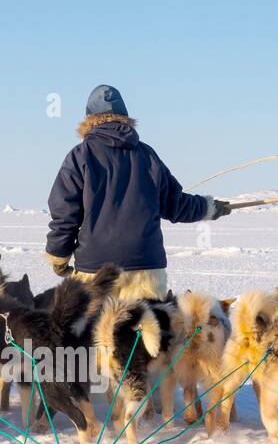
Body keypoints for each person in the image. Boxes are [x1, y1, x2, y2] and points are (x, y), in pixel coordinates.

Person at [45, 85, 232, 301]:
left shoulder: (80, 155)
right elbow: (176, 204)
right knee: (144, 323)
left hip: (95, 270)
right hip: (146, 268)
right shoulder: (147, 155)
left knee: (95, 324)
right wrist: (210, 208)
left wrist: (59, 257)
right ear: (125, 117)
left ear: (89, 118)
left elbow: (64, 212)